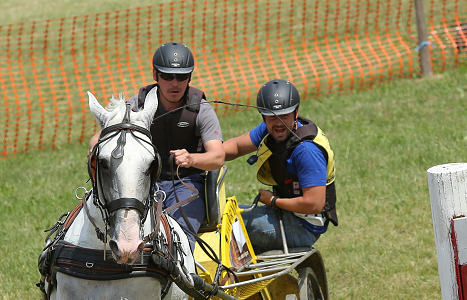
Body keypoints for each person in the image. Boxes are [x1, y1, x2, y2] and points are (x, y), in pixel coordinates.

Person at [89, 42, 224, 247]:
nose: (175, 83)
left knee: (177, 241)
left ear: (190, 77)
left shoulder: (201, 110)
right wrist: (96, 149)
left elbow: (217, 156)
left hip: (187, 184)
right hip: (145, 183)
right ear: (155, 74)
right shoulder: (137, 106)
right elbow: (98, 137)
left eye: (182, 77)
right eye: (167, 76)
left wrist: (191, 159)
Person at [222, 79, 337, 254]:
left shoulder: (306, 151)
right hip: (288, 213)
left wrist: (273, 201)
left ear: (296, 112)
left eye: (284, 115)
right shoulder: (272, 128)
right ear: (263, 117)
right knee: (223, 215)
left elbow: (314, 203)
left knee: (225, 226)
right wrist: (206, 156)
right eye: (271, 116)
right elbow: (237, 146)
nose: (278, 122)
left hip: (303, 226)